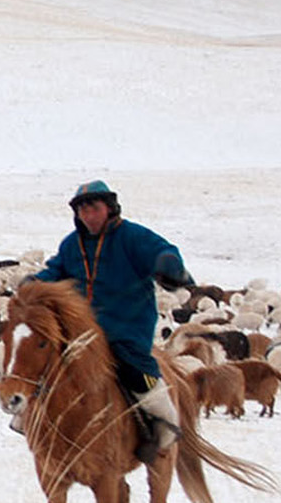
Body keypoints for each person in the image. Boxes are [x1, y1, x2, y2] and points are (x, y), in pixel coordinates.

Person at [27, 180, 196, 461]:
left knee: (135, 370)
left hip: (126, 328)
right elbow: (55, 271)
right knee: (45, 364)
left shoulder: (133, 237)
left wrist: (168, 264)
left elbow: (162, 251)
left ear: (109, 208)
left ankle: (165, 424)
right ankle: (31, 419)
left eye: (93, 208)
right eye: (82, 211)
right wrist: (33, 284)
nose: (88, 216)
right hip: (81, 331)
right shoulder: (73, 245)